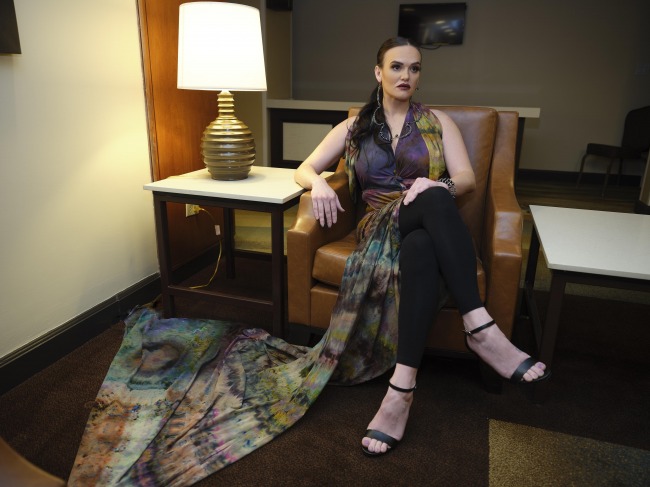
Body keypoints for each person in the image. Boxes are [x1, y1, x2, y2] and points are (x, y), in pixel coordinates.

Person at [295, 36, 549, 457]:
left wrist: (436, 184)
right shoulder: (355, 126)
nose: (406, 75)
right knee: (433, 197)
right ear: (378, 72)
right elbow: (305, 168)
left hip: (422, 225)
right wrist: (319, 183)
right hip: (378, 225)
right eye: (396, 67)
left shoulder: (438, 121)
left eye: (414, 68)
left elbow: (465, 179)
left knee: (422, 241)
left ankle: (400, 391)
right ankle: (480, 329)